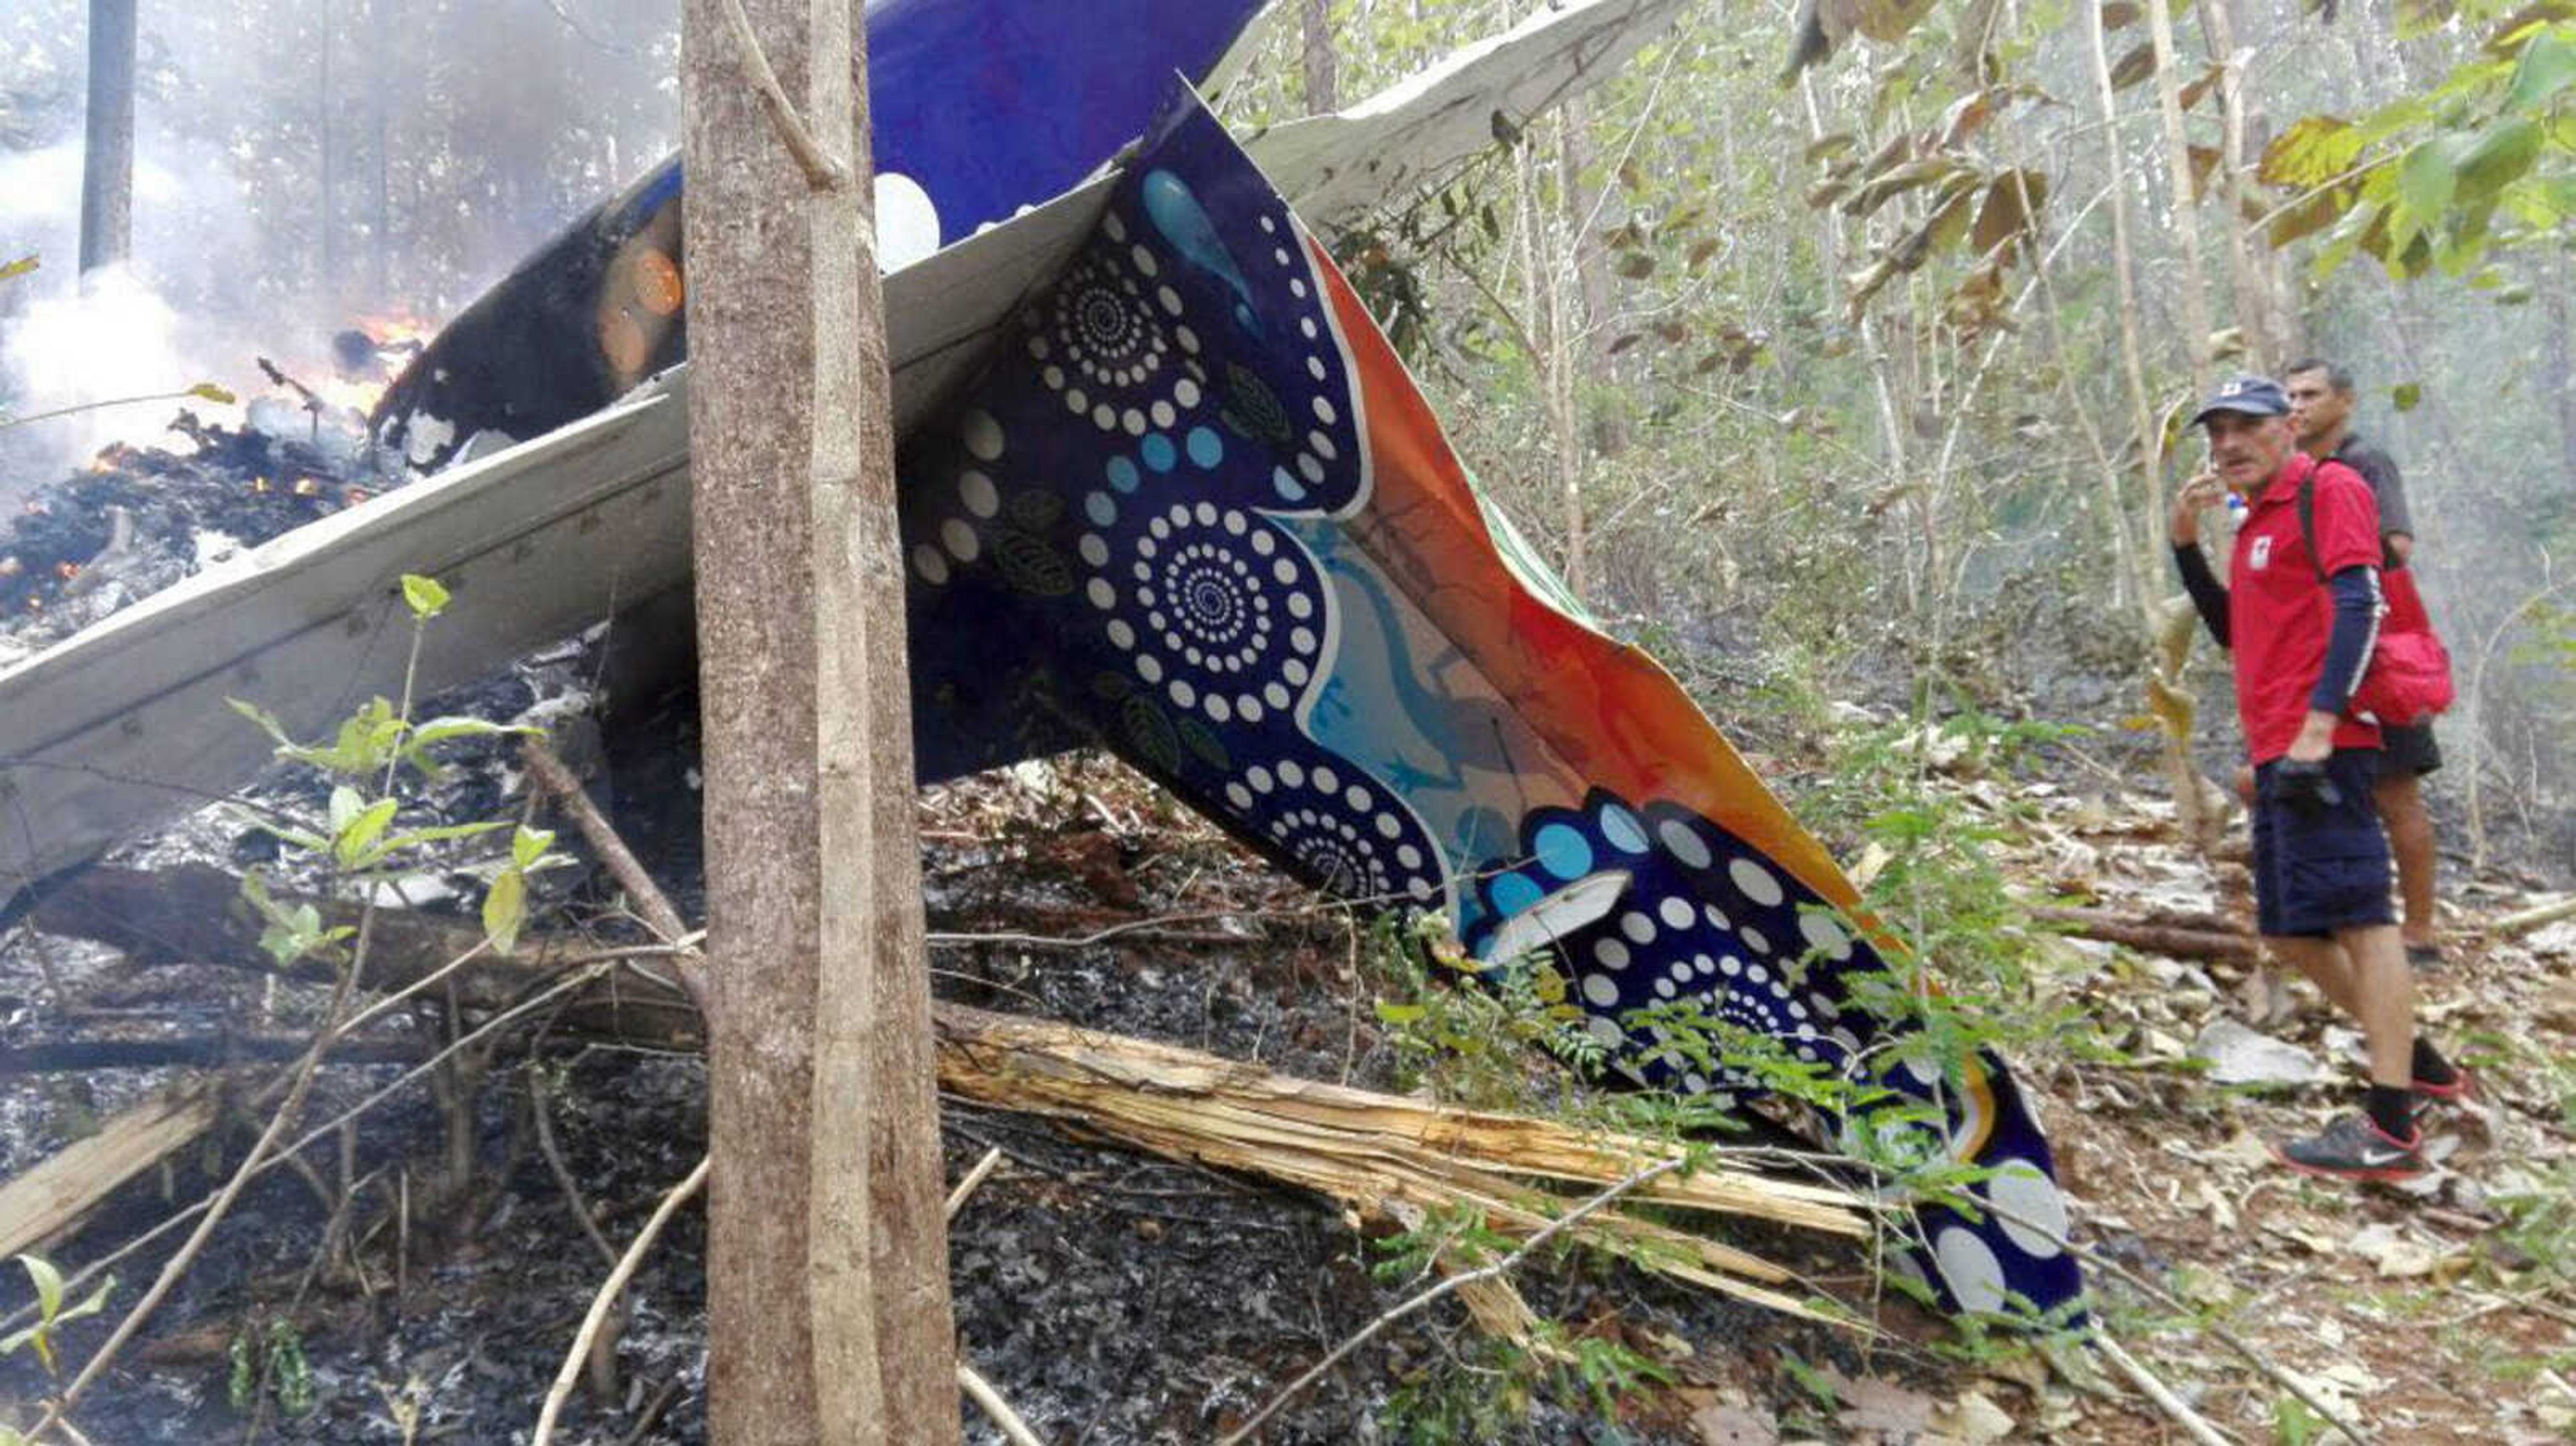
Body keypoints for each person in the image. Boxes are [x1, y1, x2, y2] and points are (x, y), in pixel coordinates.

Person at [2168, 375, 2469, 1180]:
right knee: (2291, 932)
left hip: (2324, 746)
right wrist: (2184, 545)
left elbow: (2361, 601)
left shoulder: (2329, 489)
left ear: (2287, 428)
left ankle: (2391, 1127)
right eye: (2218, 432)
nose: (2229, 444)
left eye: (2246, 427)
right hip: (2279, 751)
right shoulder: (2259, 520)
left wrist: (2320, 720)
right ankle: (2425, 1065)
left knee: (2364, 921)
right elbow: (2238, 632)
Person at [2285, 360, 2445, 969]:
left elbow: (2398, 547)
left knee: (2397, 790)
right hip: (2315, 656)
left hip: (2378, 654)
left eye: (2311, 394)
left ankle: (2421, 930)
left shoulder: (2364, 463)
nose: (2298, 405)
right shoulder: (2295, 475)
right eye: (2290, 395)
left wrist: (2342, 549)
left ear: (2344, 402)